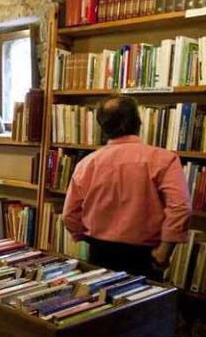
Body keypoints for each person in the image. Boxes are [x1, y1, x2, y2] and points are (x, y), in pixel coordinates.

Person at [62, 96, 192, 279]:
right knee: (141, 306)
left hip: (99, 252)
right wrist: (165, 250)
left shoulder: (87, 164)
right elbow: (180, 207)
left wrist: (83, 236)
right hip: (145, 255)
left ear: (102, 126)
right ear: (138, 122)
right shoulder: (164, 159)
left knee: (102, 304)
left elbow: (69, 215)